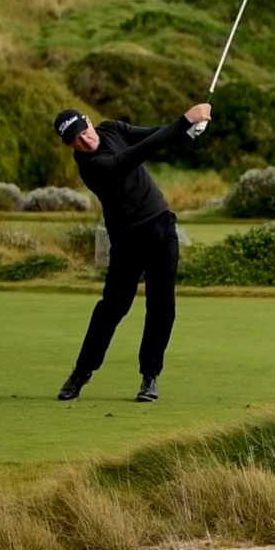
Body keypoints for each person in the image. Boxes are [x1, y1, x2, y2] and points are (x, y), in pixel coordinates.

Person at [51, 103, 210, 402]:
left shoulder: (111, 128)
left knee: (162, 306)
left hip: (162, 228)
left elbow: (150, 135)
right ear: (70, 145)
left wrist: (188, 132)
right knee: (112, 308)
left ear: (89, 121)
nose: (85, 141)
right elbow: (135, 155)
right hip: (127, 240)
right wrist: (184, 121)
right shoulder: (91, 167)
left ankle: (150, 377)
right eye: (76, 141)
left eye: (84, 132)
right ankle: (81, 372)